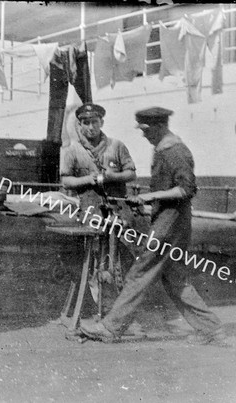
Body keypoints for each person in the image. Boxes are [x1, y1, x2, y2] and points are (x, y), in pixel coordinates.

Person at [80, 106, 227, 346]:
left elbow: (186, 190)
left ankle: (110, 327)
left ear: (159, 127)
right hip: (172, 221)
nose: (143, 135)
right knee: (175, 279)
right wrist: (150, 205)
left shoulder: (174, 152)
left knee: (141, 272)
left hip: (170, 223)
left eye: (146, 130)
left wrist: (150, 197)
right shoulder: (165, 149)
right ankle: (213, 329)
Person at [60, 102, 144, 335]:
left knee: (122, 262)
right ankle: (102, 314)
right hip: (91, 212)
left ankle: (122, 316)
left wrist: (110, 177)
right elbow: (66, 181)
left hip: (118, 211)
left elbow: (131, 172)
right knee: (97, 262)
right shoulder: (73, 151)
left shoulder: (116, 146)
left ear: (101, 123)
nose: (90, 127)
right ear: (80, 125)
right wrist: (90, 180)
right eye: (85, 123)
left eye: (94, 122)